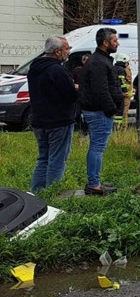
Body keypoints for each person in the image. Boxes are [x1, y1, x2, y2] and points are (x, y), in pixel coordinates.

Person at [27, 36, 77, 192]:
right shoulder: (58, 70)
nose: (68, 52)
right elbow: (70, 95)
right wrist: (76, 88)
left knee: (43, 158)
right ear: (57, 51)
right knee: (57, 159)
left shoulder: (34, 69)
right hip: (59, 121)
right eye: (67, 48)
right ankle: (53, 194)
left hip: (39, 120)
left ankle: (37, 191)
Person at [78, 27, 123, 195]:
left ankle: (94, 181)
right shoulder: (99, 62)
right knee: (97, 147)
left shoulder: (100, 60)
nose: (117, 43)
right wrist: (111, 109)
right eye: (114, 40)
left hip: (98, 110)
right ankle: (94, 184)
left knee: (97, 146)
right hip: (99, 112)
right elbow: (101, 89)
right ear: (105, 43)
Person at [112, 54, 133, 127]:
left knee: (118, 112)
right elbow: (122, 82)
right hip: (123, 95)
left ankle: (117, 127)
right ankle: (122, 127)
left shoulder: (114, 68)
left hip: (116, 93)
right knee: (123, 112)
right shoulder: (121, 69)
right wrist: (125, 91)